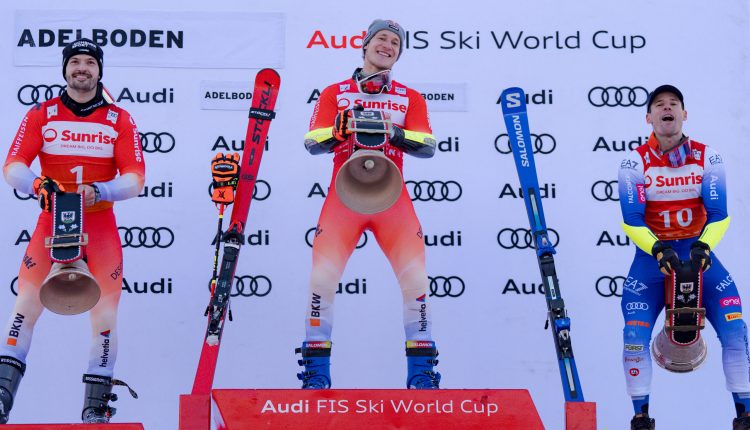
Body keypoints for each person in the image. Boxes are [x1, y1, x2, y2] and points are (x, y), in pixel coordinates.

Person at [1, 38, 145, 423]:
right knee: (24, 309)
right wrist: (36, 184)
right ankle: (0, 399)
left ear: (100, 70)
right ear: (65, 69)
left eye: (89, 63)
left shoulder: (119, 119)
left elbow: (136, 179)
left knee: (105, 319)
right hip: (52, 222)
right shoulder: (41, 114)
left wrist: (100, 190)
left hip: (99, 225)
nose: (82, 69)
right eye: (75, 62)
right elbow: (12, 165)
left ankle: (95, 410)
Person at [298, 19, 439, 389]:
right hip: (344, 197)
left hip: (391, 198)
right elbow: (311, 141)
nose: (388, 45)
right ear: (365, 44)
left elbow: (427, 144)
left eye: (395, 42)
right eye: (382, 38)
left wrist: (395, 133)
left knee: (416, 280)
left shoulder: (410, 97)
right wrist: (337, 131)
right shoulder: (335, 92)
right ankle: (316, 373)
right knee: (322, 281)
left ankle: (422, 373)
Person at [617, 85, 750, 430]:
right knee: (633, 336)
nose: (667, 108)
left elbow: (719, 214)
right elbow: (631, 219)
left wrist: (703, 247)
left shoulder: (709, 157)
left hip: (698, 256)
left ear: (684, 114)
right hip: (652, 262)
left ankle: (745, 414)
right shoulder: (634, 161)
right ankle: (641, 416)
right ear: (649, 118)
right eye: (659, 104)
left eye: (673, 103)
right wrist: (658, 248)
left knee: (736, 331)